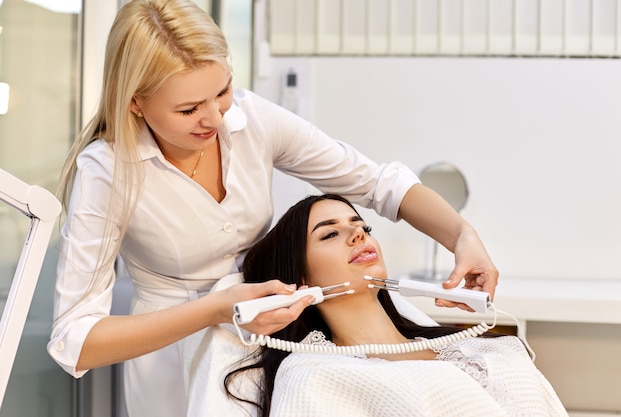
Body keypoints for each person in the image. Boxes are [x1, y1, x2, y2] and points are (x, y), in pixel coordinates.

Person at [47, 0, 498, 416]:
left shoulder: (252, 120)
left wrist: (462, 235)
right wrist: (216, 309)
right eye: (188, 110)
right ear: (135, 103)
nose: (215, 118)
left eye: (221, 91)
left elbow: (375, 182)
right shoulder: (107, 172)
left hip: (272, 338)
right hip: (171, 356)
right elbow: (76, 340)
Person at [224, 194, 568, 417]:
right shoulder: (313, 374)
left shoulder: (482, 348)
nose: (358, 235)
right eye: (330, 234)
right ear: (299, 281)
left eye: (362, 226)